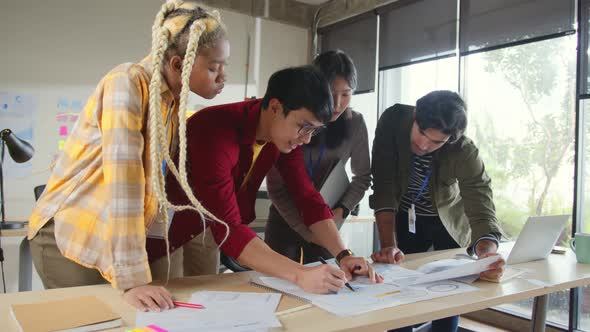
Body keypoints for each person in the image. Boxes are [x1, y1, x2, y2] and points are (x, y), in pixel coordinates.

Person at [27, 1, 230, 312]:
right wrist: (133, 279)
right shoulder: (127, 82)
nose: (222, 78)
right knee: (100, 321)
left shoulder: (170, 103)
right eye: (214, 67)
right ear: (178, 65)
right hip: (72, 238)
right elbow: (125, 184)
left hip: (107, 239)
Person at [150, 65, 382, 295]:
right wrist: (300, 274)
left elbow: (307, 196)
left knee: (207, 298)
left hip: (209, 226)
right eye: (304, 127)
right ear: (275, 107)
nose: (306, 139)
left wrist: (344, 255)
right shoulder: (214, 131)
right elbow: (229, 228)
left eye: (314, 131)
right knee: (166, 303)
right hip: (169, 226)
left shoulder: (279, 134)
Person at [370, 90, 505, 332]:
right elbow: (383, 184)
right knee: (399, 286)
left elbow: (479, 197)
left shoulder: (464, 151)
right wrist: (389, 244)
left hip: (447, 221)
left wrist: (487, 249)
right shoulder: (392, 121)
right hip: (404, 215)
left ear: (450, 140)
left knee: (449, 293)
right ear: (415, 116)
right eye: (421, 133)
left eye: (436, 142)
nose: (423, 145)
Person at [264, 50, 371, 264]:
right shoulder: (291, 122)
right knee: (279, 282)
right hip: (287, 217)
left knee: (330, 282)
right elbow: (276, 188)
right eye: (331, 93)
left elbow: (362, 178)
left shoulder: (355, 123)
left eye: (346, 94)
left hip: (328, 217)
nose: (338, 103)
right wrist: (307, 231)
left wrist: (342, 211)